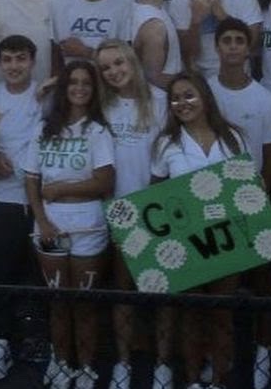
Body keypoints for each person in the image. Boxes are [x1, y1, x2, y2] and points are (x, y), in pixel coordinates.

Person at [209, 17, 271, 388]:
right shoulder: (205, 93)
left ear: (249, 48)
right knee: (219, 292)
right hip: (211, 206)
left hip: (253, 203)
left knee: (263, 286)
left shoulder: (266, 100)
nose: (232, 46)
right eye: (226, 40)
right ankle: (219, 362)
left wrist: (258, 200)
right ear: (218, 47)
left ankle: (263, 356)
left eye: (239, 40)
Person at [151, 70, 245, 388]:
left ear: (205, 97)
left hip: (227, 237)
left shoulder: (233, 137)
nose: (182, 102)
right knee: (190, 313)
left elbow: (246, 188)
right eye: (175, 98)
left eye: (189, 95)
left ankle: (218, 379)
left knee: (221, 313)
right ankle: (192, 379)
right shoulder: (166, 143)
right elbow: (157, 194)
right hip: (186, 241)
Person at [26, 60, 115, 389]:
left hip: (88, 226)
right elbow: (31, 179)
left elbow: (105, 181)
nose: (79, 88)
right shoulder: (43, 128)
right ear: (63, 88)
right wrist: (42, 220)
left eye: (86, 83)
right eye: (72, 82)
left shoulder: (98, 130)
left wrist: (63, 188)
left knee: (84, 303)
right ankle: (61, 362)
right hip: (50, 226)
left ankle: (87, 366)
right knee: (59, 301)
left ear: (93, 91)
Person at [94, 40, 169, 389]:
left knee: (160, 291)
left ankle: (162, 364)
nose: (114, 72)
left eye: (119, 63)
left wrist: (155, 205)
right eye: (106, 68)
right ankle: (123, 364)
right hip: (118, 209)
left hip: (156, 208)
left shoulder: (160, 100)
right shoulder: (102, 104)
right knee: (123, 290)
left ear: (133, 60)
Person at [0, 35, 44, 381]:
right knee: (1, 274)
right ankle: (0, 344)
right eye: (7, 59)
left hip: (36, 202)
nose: (14, 65)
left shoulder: (45, 97)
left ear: (33, 61)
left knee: (36, 275)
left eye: (21, 58)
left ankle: (34, 342)